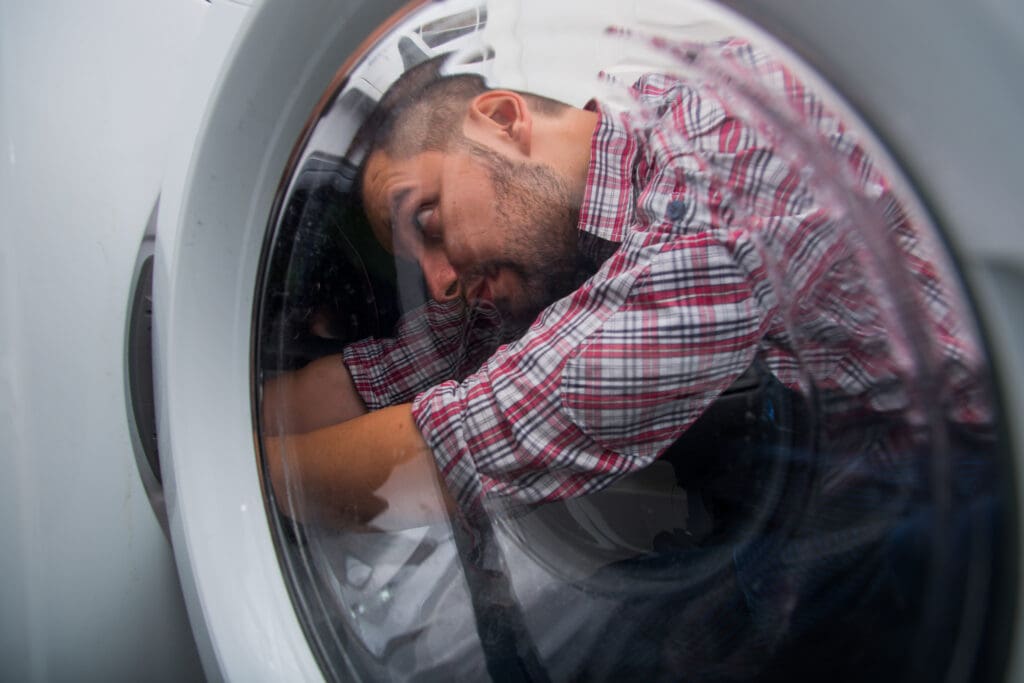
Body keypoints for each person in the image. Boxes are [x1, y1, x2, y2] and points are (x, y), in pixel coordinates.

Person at [262, 38, 989, 533]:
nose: (439, 283)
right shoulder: (562, 229)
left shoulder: (718, 155)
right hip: (869, 437)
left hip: (979, 453)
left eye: (427, 219)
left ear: (502, 121)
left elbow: (469, 445)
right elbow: (389, 375)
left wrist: (233, 478)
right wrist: (216, 419)